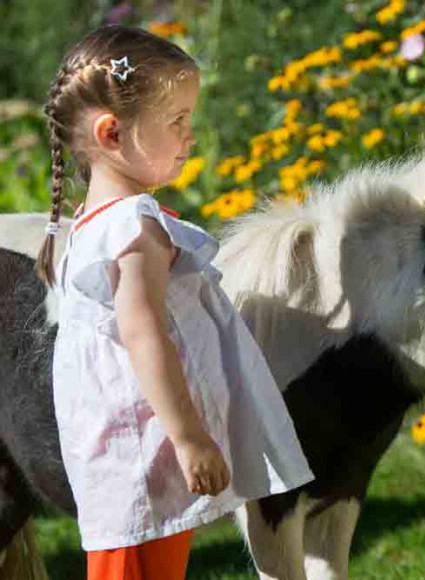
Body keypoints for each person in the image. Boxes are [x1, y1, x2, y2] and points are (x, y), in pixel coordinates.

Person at [34, 25, 313, 579]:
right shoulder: (133, 228)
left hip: (125, 462)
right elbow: (144, 335)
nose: (190, 137)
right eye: (177, 121)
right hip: (143, 463)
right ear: (113, 134)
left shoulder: (91, 228)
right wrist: (189, 437)